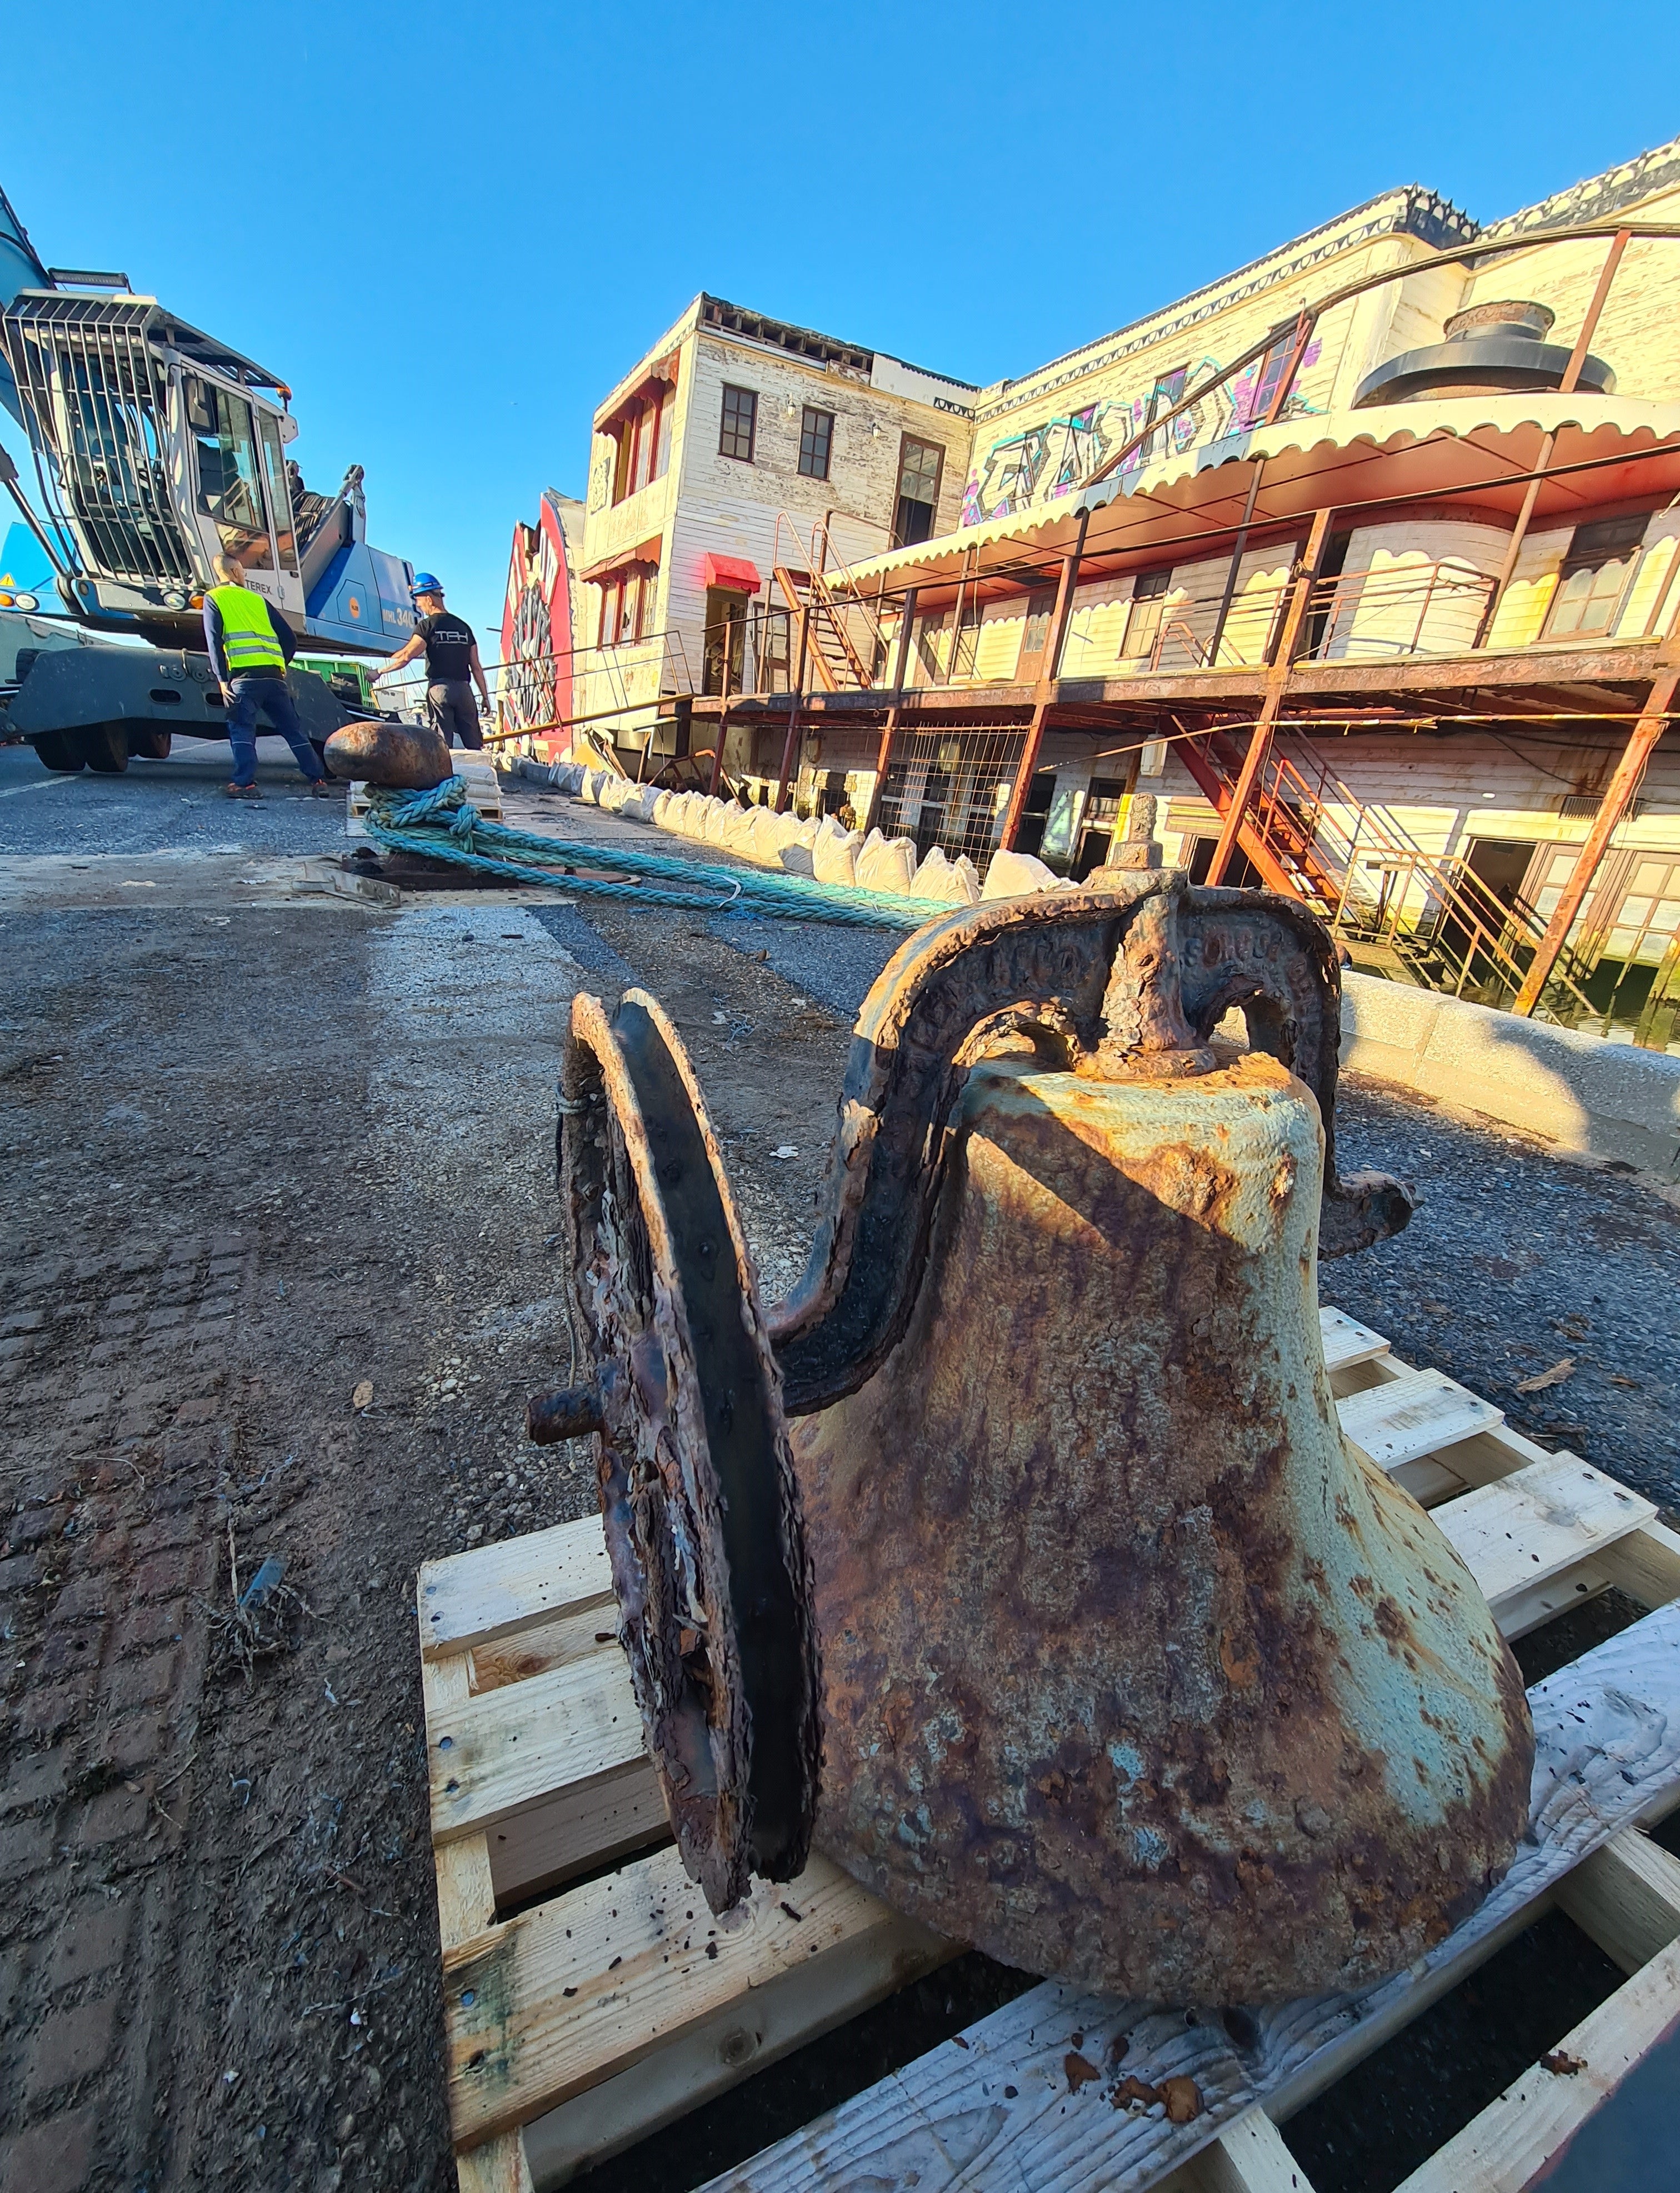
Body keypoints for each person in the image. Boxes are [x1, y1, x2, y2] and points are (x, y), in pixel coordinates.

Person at [202, 552, 333, 800]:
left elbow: (213, 640)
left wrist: (221, 678)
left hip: (244, 679)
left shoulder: (214, 598)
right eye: (243, 571)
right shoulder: (258, 600)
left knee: (242, 730)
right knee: (293, 731)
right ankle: (317, 780)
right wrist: (280, 664)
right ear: (235, 573)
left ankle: (244, 784)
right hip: (274, 678)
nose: (245, 575)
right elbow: (290, 638)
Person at [374, 574, 491, 749]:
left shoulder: (427, 626)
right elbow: (476, 667)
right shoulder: (464, 627)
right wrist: (485, 697)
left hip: (440, 690)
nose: (419, 606)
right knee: (474, 744)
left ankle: (446, 776)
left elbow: (407, 655)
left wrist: (379, 671)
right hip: (464, 691)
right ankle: (481, 775)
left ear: (429, 599)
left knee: (442, 745)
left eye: (419, 601)